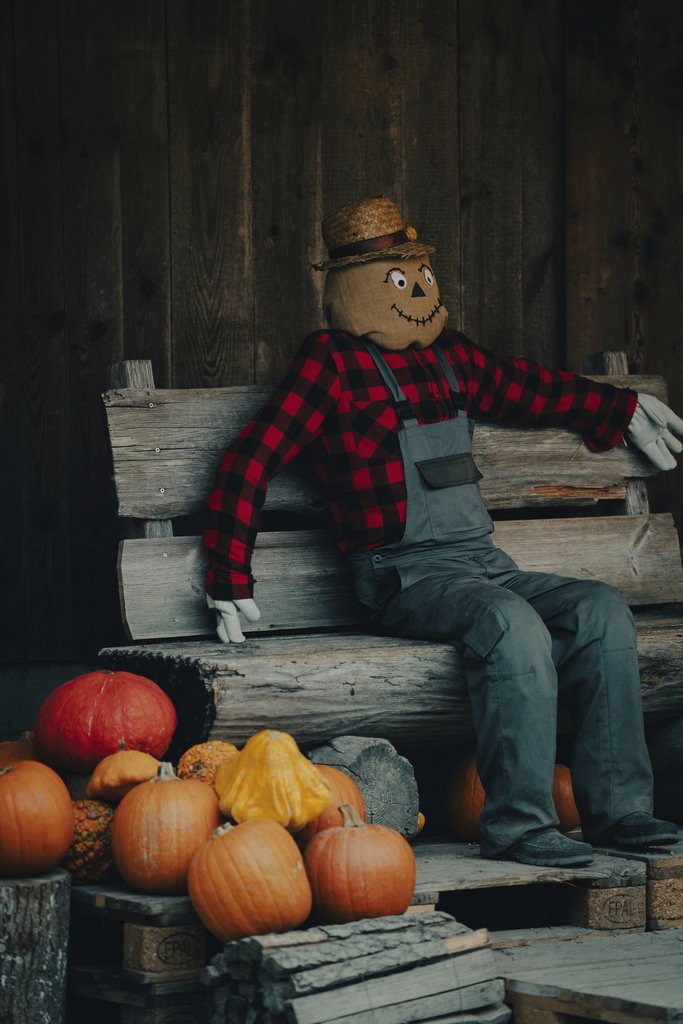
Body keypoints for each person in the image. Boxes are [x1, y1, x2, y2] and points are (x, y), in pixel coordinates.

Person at [204, 196, 683, 866]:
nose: (415, 290)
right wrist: (227, 574)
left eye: (419, 274)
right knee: (508, 621)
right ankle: (520, 825)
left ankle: (621, 812)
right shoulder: (331, 363)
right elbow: (249, 459)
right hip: (401, 575)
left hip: (480, 563)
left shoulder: (448, 358)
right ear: (355, 287)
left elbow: (528, 389)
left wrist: (618, 404)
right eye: (397, 279)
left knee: (599, 610)